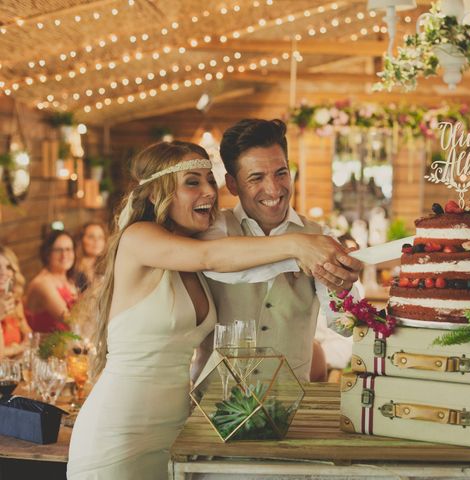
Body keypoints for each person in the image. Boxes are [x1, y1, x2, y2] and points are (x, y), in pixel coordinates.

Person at [67, 140, 348, 479]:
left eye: (209, 179)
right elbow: (213, 257)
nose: (209, 192)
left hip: (177, 430)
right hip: (119, 432)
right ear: (157, 194)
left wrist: (329, 260)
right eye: (192, 182)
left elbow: (246, 266)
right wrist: (298, 243)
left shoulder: (194, 254)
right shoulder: (139, 238)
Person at [201, 119, 364, 381]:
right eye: (256, 178)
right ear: (232, 184)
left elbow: (345, 326)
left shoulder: (320, 236)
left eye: (281, 173)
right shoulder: (214, 230)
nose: (274, 189)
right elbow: (222, 267)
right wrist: (296, 251)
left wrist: (342, 289)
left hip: (290, 405)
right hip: (215, 401)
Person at [24, 230, 78, 333]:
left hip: (65, 343)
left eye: (68, 249)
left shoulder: (67, 279)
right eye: (58, 250)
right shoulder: (42, 283)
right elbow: (70, 321)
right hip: (46, 346)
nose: (64, 255)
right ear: (47, 254)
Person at [0, 245, 32, 358]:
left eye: (8, 267)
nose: (3, 272)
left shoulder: (14, 300)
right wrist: (15, 349)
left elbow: (28, 333)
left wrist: (28, 341)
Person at [75, 221, 107, 292]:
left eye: (100, 237)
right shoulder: (74, 270)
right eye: (91, 237)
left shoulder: (104, 268)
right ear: (81, 240)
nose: (96, 241)